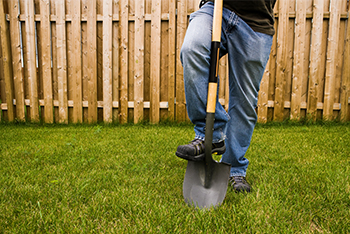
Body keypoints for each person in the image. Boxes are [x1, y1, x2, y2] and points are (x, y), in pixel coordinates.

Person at [176, 0, 276, 193]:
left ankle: (234, 168)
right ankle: (210, 134)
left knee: (244, 100)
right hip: (216, 8)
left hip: (256, 20)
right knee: (193, 48)